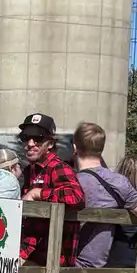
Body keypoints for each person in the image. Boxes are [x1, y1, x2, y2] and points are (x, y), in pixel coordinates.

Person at [71, 121, 137, 268]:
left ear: (75, 148)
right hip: (96, 264)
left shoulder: (67, 182)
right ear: (101, 149)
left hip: (63, 262)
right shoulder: (118, 182)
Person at [16, 113, 84, 265]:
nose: (30, 143)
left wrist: (38, 193)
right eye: (25, 137)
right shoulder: (29, 171)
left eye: (38, 138)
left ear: (50, 144)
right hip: (29, 253)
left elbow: (76, 197)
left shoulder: (58, 167)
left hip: (51, 260)